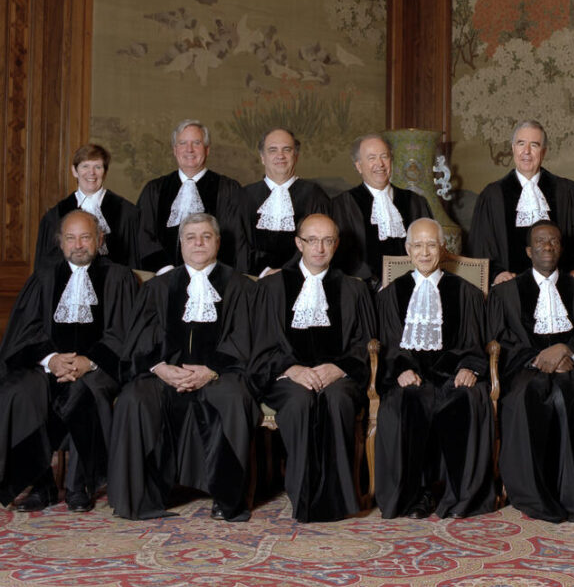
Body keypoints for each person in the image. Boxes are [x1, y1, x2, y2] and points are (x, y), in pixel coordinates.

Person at [108, 213, 260, 521]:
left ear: (218, 241)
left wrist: (211, 369)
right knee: (134, 399)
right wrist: (160, 368)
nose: (198, 243)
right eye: (190, 237)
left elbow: (246, 339)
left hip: (220, 374)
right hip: (165, 374)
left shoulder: (240, 287)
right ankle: (141, 499)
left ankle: (226, 499)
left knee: (233, 398)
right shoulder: (158, 287)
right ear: (181, 244)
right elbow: (139, 341)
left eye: (206, 236)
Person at [0, 211, 136, 512]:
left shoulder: (118, 277)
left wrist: (90, 361)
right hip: (49, 366)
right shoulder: (44, 278)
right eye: (71, 238)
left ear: (99, 240)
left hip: (98, 369)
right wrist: (51, 360)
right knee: (19, 391)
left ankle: (79, 485)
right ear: (60, 244)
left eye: (86, 237)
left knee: (84, 391)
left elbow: (123, 333)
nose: (78, 245)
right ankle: (42, 484)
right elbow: (25, 331)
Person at [487, 221, 574, 522]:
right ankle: (536, 495)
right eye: (541, 242)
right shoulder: (505, 293)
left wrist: (568, 350)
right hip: (524, 370)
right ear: (529, 251)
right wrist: (539, 358)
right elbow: (497, 343)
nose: (548, 246)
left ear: (561, 248)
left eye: (554, 241)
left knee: (566, 394)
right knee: (529, 395)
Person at [254, 213, 375, 522]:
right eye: (312, 240)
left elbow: (365, 343)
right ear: (299, 243)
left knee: (337, 399)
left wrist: (338, 368)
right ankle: (304, 497)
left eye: (327, 240)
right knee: (299, 401)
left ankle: (341, 500)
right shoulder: (272, 287)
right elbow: (261, 344)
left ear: (336, 245)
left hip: (338, 376)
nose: (319, 248)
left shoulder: (354, 289)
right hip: (287, 377)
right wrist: (292, 370)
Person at [374, 218, 494, 519]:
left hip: (452, 375)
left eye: (431, 244)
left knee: (465, 399)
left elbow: (474, 341)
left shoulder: (465, 292)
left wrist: (469, 367)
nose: (424, 252)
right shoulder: (390, 294)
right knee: (408, 401)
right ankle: (415, 496)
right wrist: (400, 369)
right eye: (418, 245)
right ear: (407, 249)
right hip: (412, 377)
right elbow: (389, 343)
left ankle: (460, 497)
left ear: (443, 248)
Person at [469, 121, 574, 285]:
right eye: (521, 144)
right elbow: (481, 247)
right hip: (508, 292)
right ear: (513, 148)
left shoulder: (568, 192)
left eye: (534, 145)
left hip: (562, 286)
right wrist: (496, 274)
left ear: (543, 152)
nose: (526, 152)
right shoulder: (492, 196)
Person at [136, 120, 249, 273]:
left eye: (196, 143)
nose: (189, 149)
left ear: (207, 149)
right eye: (183, 143)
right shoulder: (155, 189)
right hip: (163, 280)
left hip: (213, 280)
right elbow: (143, 234)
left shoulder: (228, 190)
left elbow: (234, 239)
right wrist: (166, 270)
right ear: (175, 150)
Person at [331, 134, 432, 290]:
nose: (380, 164)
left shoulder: (416, 202)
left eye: (384, 156)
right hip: (364, 293)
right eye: (371, 158)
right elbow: (343, 256)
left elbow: (431, 247)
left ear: (391, 161)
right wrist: (375, 284)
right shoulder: (342, 205)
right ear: (358, 166)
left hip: (413, 289)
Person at [35, 143, 140, 268]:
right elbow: (46, 268)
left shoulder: (127, 213)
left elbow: (134, 262)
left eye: (98, 167)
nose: (92, 173)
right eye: (85, 166)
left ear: (105, 172)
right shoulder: (55, 215)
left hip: (113, 285)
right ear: (74, 171)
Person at [243, 128, 331, 276]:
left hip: (302, 279)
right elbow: (239, 244)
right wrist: (264, 271)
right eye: (272, 150)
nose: (280, 156)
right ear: (262, 157)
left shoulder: (315, 195)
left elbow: (321, 242)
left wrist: (289, 272)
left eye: (287, 150)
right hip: (254, 280)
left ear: (295, 156)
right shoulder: (244, 196)